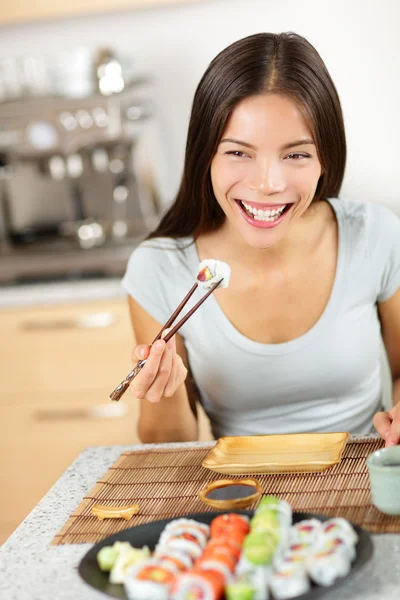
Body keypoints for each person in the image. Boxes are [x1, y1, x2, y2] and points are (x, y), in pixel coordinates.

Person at [121, 32, 400, 446]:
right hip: (240, 496)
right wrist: (162, 388)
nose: (268, 184)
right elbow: (170, 449)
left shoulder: (374, 233)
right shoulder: (159, 269)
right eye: (238, 152)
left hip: (363, 484)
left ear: (325, 158)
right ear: (206, 157)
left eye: (296, 154)